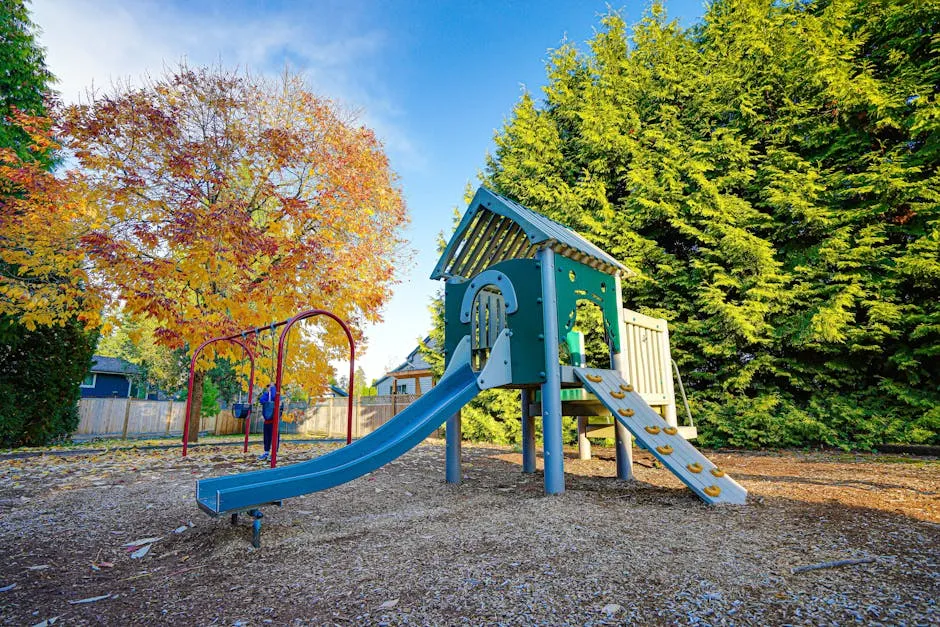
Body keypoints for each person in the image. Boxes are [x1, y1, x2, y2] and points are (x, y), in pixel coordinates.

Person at [258, 383, 279, 461]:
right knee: (266, 437)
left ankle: (274, 453)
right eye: (268, 387)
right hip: (267, 420)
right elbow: (261, 400)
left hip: (274, 421)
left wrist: (273, 388)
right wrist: (268, 392)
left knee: (274, 437)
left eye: (269, 387)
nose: (268, 388)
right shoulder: (266, 396)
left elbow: (274, 397)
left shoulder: (276, 395)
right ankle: (266, 452)